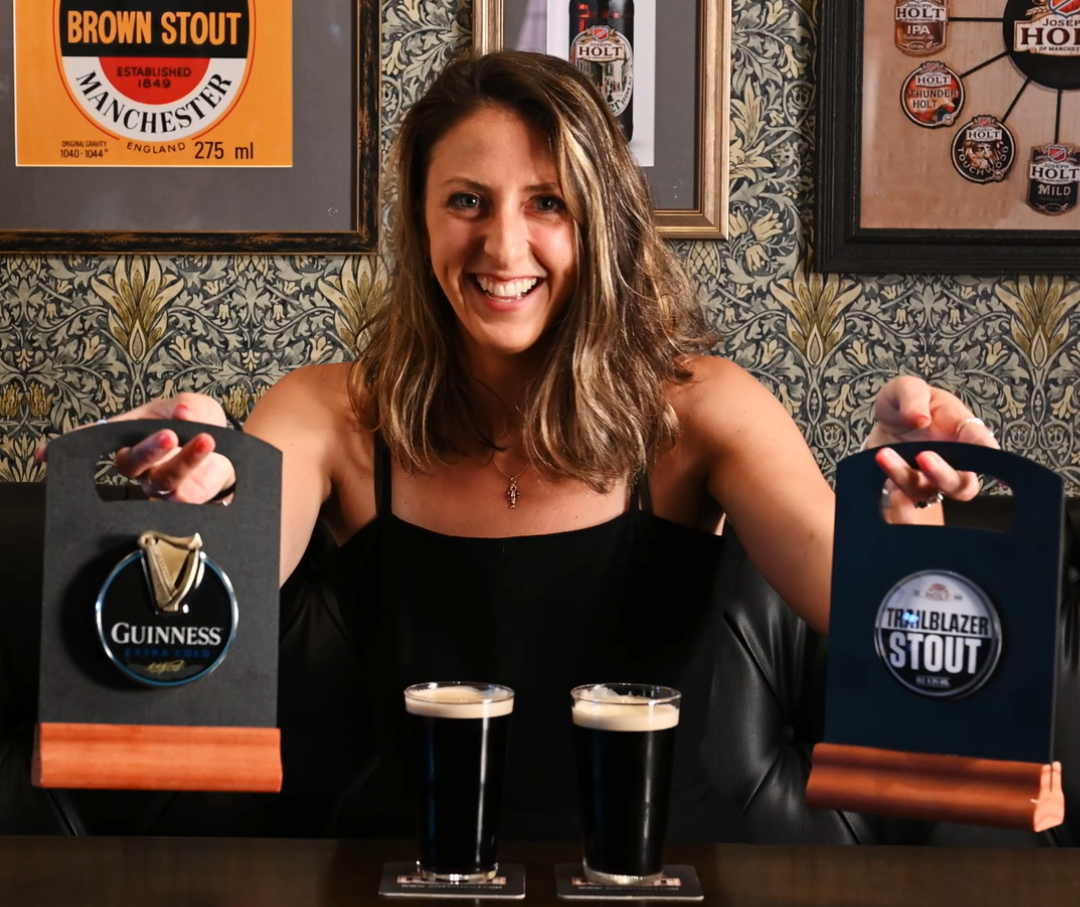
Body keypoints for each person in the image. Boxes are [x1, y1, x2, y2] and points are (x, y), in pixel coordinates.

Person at [59, 51, 997, 839]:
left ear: (602, 221)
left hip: (656, 881)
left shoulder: (705, 409)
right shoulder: (329, 414)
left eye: (547, 202)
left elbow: (881, 616)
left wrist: (907, 502)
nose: (503, 247)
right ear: (421, 218)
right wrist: (162, 505)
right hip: (401, 879)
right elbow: (214, 585)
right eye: (467, 199)